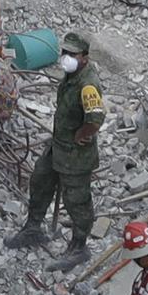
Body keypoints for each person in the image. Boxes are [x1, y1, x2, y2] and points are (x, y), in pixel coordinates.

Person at [12, 31, 103, 257]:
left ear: (85, 57)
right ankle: (33, 227)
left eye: (72, 54)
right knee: (40, 180)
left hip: (75, 156)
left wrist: (82, 133)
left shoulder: (88, 84)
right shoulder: (73, 76)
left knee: (76, 201)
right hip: (58, 146)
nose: (66, 57)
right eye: (64, 52)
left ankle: (79, 245)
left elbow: (95, 118)